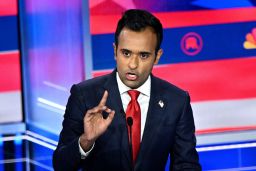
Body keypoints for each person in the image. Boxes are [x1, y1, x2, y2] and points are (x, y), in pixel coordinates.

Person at [53, 9, 201, 171]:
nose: (133, 64)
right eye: (126, 53)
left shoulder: (177, 101)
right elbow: (61, 165)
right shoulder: (84, 95)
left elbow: (186, 165)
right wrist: (86, 141)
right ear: (115, 51)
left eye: (143, 55)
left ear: (157, 56)